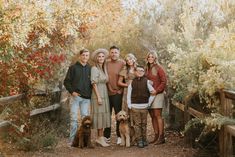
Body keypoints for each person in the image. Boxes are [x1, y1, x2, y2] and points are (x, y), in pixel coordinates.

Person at [63, 49, 92, 145]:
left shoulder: (90, 68)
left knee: (85, 119)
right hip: (75, 97)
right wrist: (72, 92)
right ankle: (72, 141)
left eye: (87, 55)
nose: (85, 57)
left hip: (86, 98)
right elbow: (66, 81)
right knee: (74, 119)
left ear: (89, 56)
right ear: (80, 56)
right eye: (83, 55)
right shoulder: (73, 68)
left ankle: (85, 141)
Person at [127, 65, 155, 148]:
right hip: (134, 107)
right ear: (135, 72)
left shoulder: (146, 81)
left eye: (142, 71)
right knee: (137, 124)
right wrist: (129, 104)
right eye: (138, 70)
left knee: (144, 124)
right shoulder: (132, 82)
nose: (140, 72)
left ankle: (144, 139)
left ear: (144, 72)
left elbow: (153, 92)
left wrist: (149, 103)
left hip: (144, 107)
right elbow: (128, 94)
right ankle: (139, 140)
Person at [103, 46, 125, 144]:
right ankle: (106, 136)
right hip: (107, 93)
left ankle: (119, 136)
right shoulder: (106, 63)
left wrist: (121, 89)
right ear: (109, 53)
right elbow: (105, 77)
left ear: (119, 53)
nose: (114, 54)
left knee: (118, 114)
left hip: (117, 93)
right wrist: (109, 88)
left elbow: (126, 77)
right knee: (107, 114)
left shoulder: (123, 63)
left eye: (116, 52)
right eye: (112, 52)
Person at [145, 50, 167, 145]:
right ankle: (156, 135)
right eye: (149, 57)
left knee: (158, 115)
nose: (150, 58)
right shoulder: (146, 69)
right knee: (152, 116)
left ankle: (162, 137)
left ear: (155, 58)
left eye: (152, 57)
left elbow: (164, 81)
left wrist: (157, 91)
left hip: (157, 94)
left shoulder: (159, 68)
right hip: (149, 95)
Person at [90, 48, 111, 147]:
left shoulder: (103, 68)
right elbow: (93, 83)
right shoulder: (94, 68)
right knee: (99, 115)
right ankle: (99, 138)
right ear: (96, 58)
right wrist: (98, 97)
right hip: (98, 93)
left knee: (103, 115)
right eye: (99, 56)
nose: (101, 58)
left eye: (103, 56)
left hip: (104, 93)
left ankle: (101, 138)